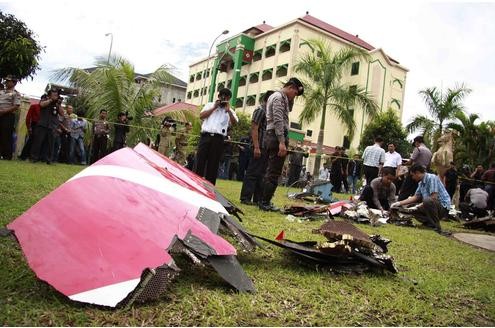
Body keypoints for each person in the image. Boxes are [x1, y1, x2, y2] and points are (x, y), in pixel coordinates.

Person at [260, 77, 304, 211]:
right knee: (274, 171)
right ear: (291, 87)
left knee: (271, 170)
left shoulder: (282, 98)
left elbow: (288, 110)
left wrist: (292, 98)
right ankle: (265, 202)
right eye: (295, 93)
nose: (294, 96)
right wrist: (281, 142)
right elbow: (278, 120)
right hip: (276, 135)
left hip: (274, 134)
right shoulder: (278, 98)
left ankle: (263, 200)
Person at [194, 88, 238, 185]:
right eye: (222, 96)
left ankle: (209, 187)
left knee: (213, 164)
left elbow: (235, 123)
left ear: (229, 98)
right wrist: (214, 107)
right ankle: (195, 184)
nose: (223, 98)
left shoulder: (230, 110)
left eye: (226, 97)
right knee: (200, 161)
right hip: (205, 136)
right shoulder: (210, 105)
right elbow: (201, 116)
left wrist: (229, 111)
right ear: (218, 96)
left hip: (218, 139)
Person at [391, 164, 451, 235]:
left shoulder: (431, 178)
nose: (412, 178)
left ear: (417, 173)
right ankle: (429, 223)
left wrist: (419, 205)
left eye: (413, 175)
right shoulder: (421, 183)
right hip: (432, 204)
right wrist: (399, 203)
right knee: (411, 207)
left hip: (442, 207)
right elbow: (416, 197)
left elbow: (434, 197)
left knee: (427, 201)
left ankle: (437, 227)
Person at [240, 90, 274, 205]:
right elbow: (254, 128)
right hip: (258, 146)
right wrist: (256, 147)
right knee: (252, 172)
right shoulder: (260, 110)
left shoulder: (269, 112)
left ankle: (257, 199)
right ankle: (245, 198)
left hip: (266, 147)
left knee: (262, 174)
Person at [30, 89, 64, 164]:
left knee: (50, 144)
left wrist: (59, 104)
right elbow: (41, 105)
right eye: (54, 94)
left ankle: (49, 159)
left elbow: (62, 114)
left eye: (56, 95)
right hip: (42, 124)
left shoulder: (57, 104)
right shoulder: (45, 99)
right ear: (49, 95)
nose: (56, 96)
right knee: (38, 142)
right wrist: (51, 100)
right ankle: (34, 158)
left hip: (52, 126)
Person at [398, 135, 432, 201]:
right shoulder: (429, 152)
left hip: (414, 171)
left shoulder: (418, 149)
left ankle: (399, 203)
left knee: (405, 188)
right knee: (417, 190)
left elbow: (410, 161)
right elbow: (429, 165)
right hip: (423, 173)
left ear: (416, 142)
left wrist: (403, 163)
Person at [0, 75, 21, 160]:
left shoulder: (15, 93)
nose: (7, 82)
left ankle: (7, 155)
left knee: (6, 135)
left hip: (8, 116)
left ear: (14, 83)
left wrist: (3, 111)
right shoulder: (1, 92)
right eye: (6, 81)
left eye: (9, 81)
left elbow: (16, 106)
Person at [20, 94, 46, 160]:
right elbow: (28, 117)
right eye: (43, 99)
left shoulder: (46, 109)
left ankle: (34, 156)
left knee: (39, 142)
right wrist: (29, 127)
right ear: (41, 99)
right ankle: (23, 156)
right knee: (31, 140)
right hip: (34, 125)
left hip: (43, 126)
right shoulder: (34, 106)